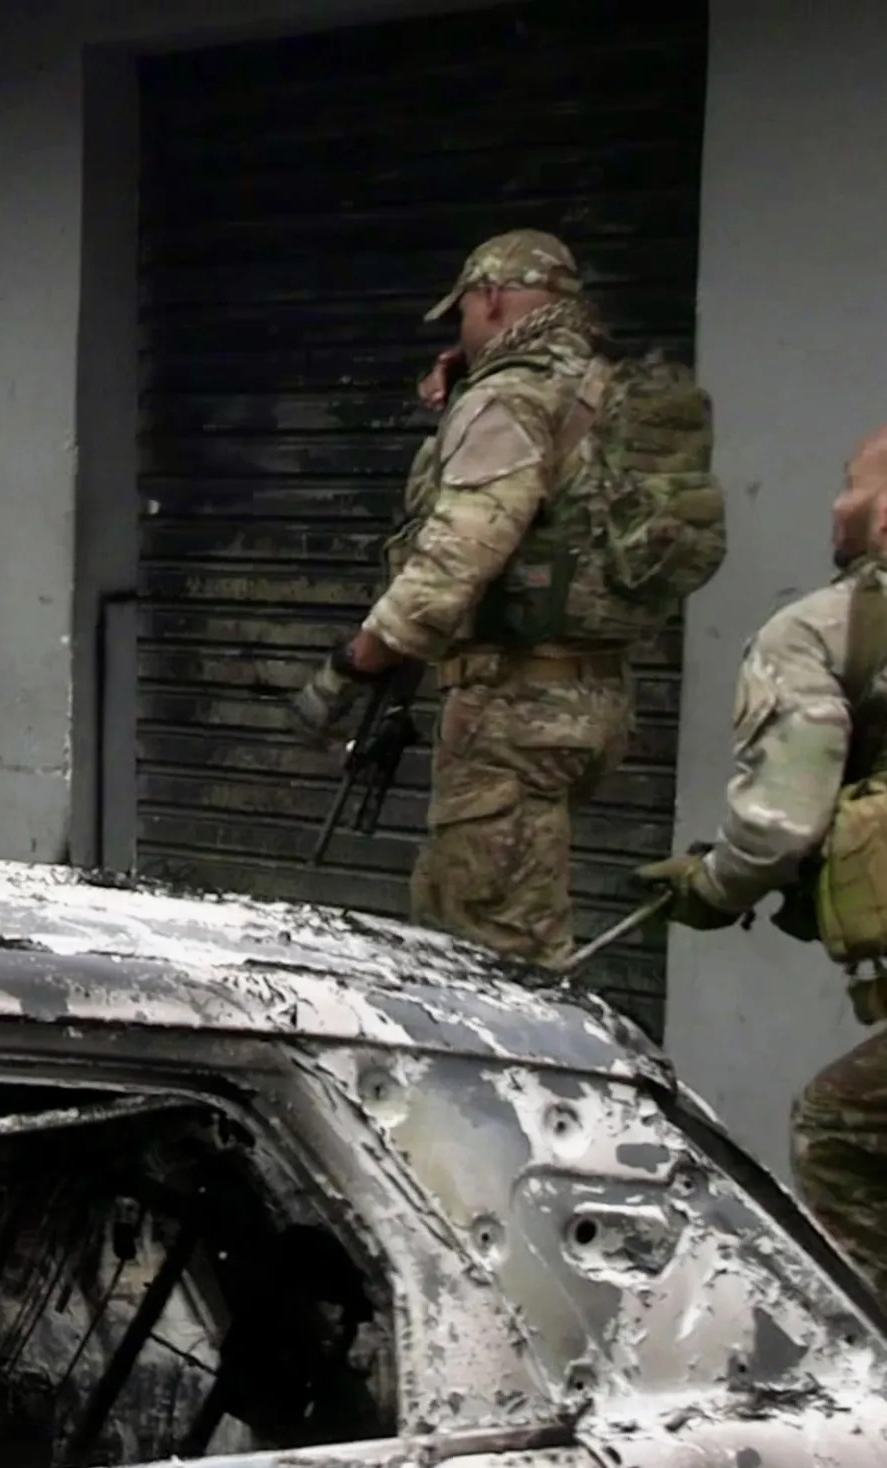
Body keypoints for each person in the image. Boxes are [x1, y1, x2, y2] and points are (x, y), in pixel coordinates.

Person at [642, 416, 887, 1354]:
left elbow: (780, 824)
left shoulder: (835, 624)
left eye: (848, 484)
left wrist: (713, 889)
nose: (837, 506)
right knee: (842, 1129)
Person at [289, 231, 636, 967]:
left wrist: (355, 662)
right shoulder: (607, 386)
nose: (461, 331)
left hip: (513, 710)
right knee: (513, 902)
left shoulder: (510, 396)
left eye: (464, 315)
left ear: (490, 298)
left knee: (491, 948)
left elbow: (455, 556)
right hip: (591, 699)